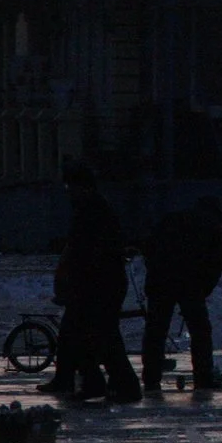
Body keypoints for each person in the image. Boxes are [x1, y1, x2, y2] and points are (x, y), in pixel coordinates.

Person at [43, 159, 140, 403]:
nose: (68, 193)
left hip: (98, 283)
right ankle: (90, 382)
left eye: (70, 187)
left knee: (97, 334)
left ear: (82, 186)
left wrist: (75, 280)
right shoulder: (94, 208)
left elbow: (86, 251)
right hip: (99, 282)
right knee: (83, 332)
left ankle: (117, 385)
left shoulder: (91, 211)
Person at [141, 196, 222, 392]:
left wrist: (154, 273)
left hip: (161, 280)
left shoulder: (171, 219)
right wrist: (202, 291)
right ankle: (203, 378)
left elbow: (148, 247)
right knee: (200, 331)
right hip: (190, 283)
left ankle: (151, 378)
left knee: (156, 330)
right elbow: (214, 267)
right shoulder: (216, 229)